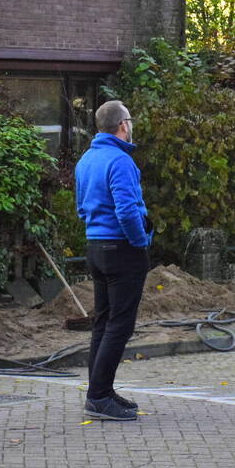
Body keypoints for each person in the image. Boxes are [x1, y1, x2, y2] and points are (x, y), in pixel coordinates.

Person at [74, 100, 152, 421]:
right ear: (122, 125)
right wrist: (140, 242)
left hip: (96, 247)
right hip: (122, 250)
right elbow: (127, 210)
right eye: (129, 121)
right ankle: (98, 395)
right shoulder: (120, 161)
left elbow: (81, 206)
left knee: (103, 322)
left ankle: (101, 390)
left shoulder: (86, 159)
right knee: (120, 325)